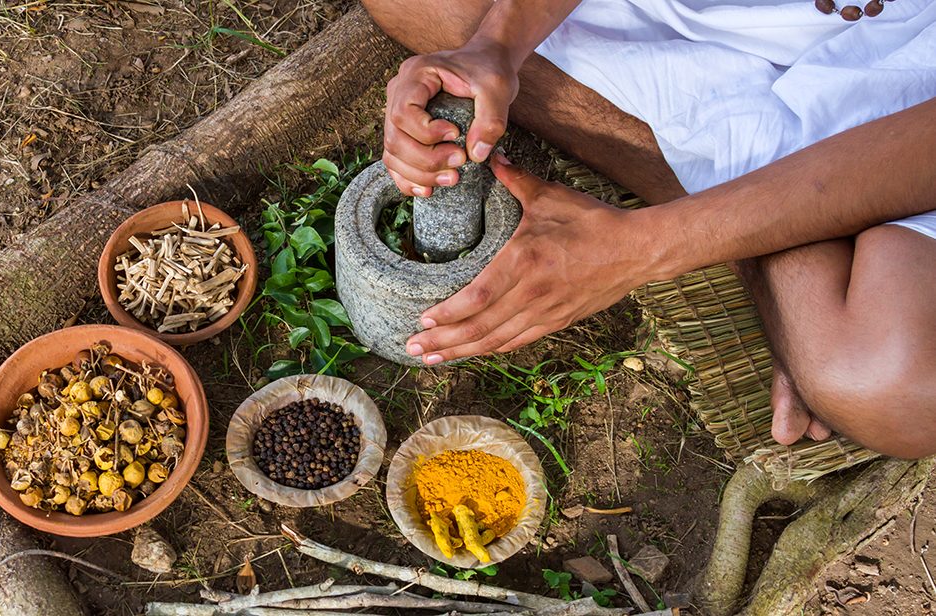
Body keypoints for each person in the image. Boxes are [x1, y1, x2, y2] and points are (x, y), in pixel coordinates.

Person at [360, 0, 936, 458]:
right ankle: (762, 238)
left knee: (893, 391)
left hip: (910, 63)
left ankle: (758, 234)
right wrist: (496, 44)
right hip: (704, 36)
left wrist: (641, 248)